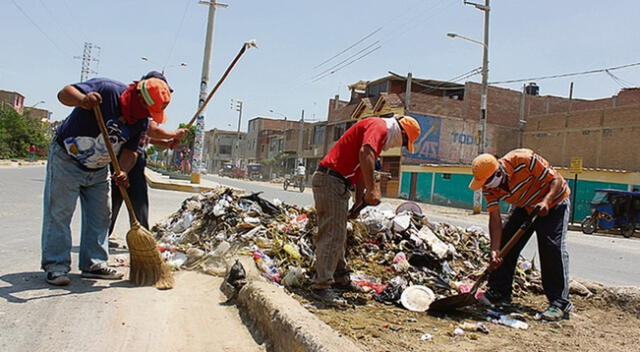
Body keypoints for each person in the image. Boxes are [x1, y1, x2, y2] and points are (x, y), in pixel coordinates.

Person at [41, 75, 171, 286]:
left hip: (99, 168)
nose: (148, 116)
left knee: (101, 216)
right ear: (139, 97)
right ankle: (56, 266)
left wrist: (124, 171)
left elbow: (131, 152)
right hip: (67, 159)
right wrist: (83, 100)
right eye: (147, 110)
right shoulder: (108, 90)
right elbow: (64, 94)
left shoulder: (140, 121)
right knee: (59, 213)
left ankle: (94, 264)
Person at [311, 115, 420, 305]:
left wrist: (359, 200)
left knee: (339, 233)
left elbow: (362, 168)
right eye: (404, 142)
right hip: (330, 181)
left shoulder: (377, 134)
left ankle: (339, 278)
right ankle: (321, 287)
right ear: (401, 132)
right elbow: (365, 153)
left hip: (339, 183)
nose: (400, 147)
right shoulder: (379, 127)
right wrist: (373, 189)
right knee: (333, 234)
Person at [468, 149, 572, 321]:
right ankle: (500, 291)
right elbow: (495, 218)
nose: (486, 186)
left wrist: (546, 201)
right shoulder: (489, 188)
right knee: (505, 243)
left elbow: (557, 180)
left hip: (554, 202)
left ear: (498, 173)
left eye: (487, 182)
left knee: (551, 247)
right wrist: (494, 250)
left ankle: (559, 302)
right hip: (525, 206)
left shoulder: (523, 159)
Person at [108, 71, 187, 245]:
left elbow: (146, 137)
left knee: (128, 197)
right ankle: (136, 237)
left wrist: (166, 144)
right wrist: (174, 133)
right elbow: (152, 130)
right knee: (129, 197)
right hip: (125, 155)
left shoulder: (146, 110)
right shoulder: (138, 107)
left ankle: (139, 237)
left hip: (134, 153)